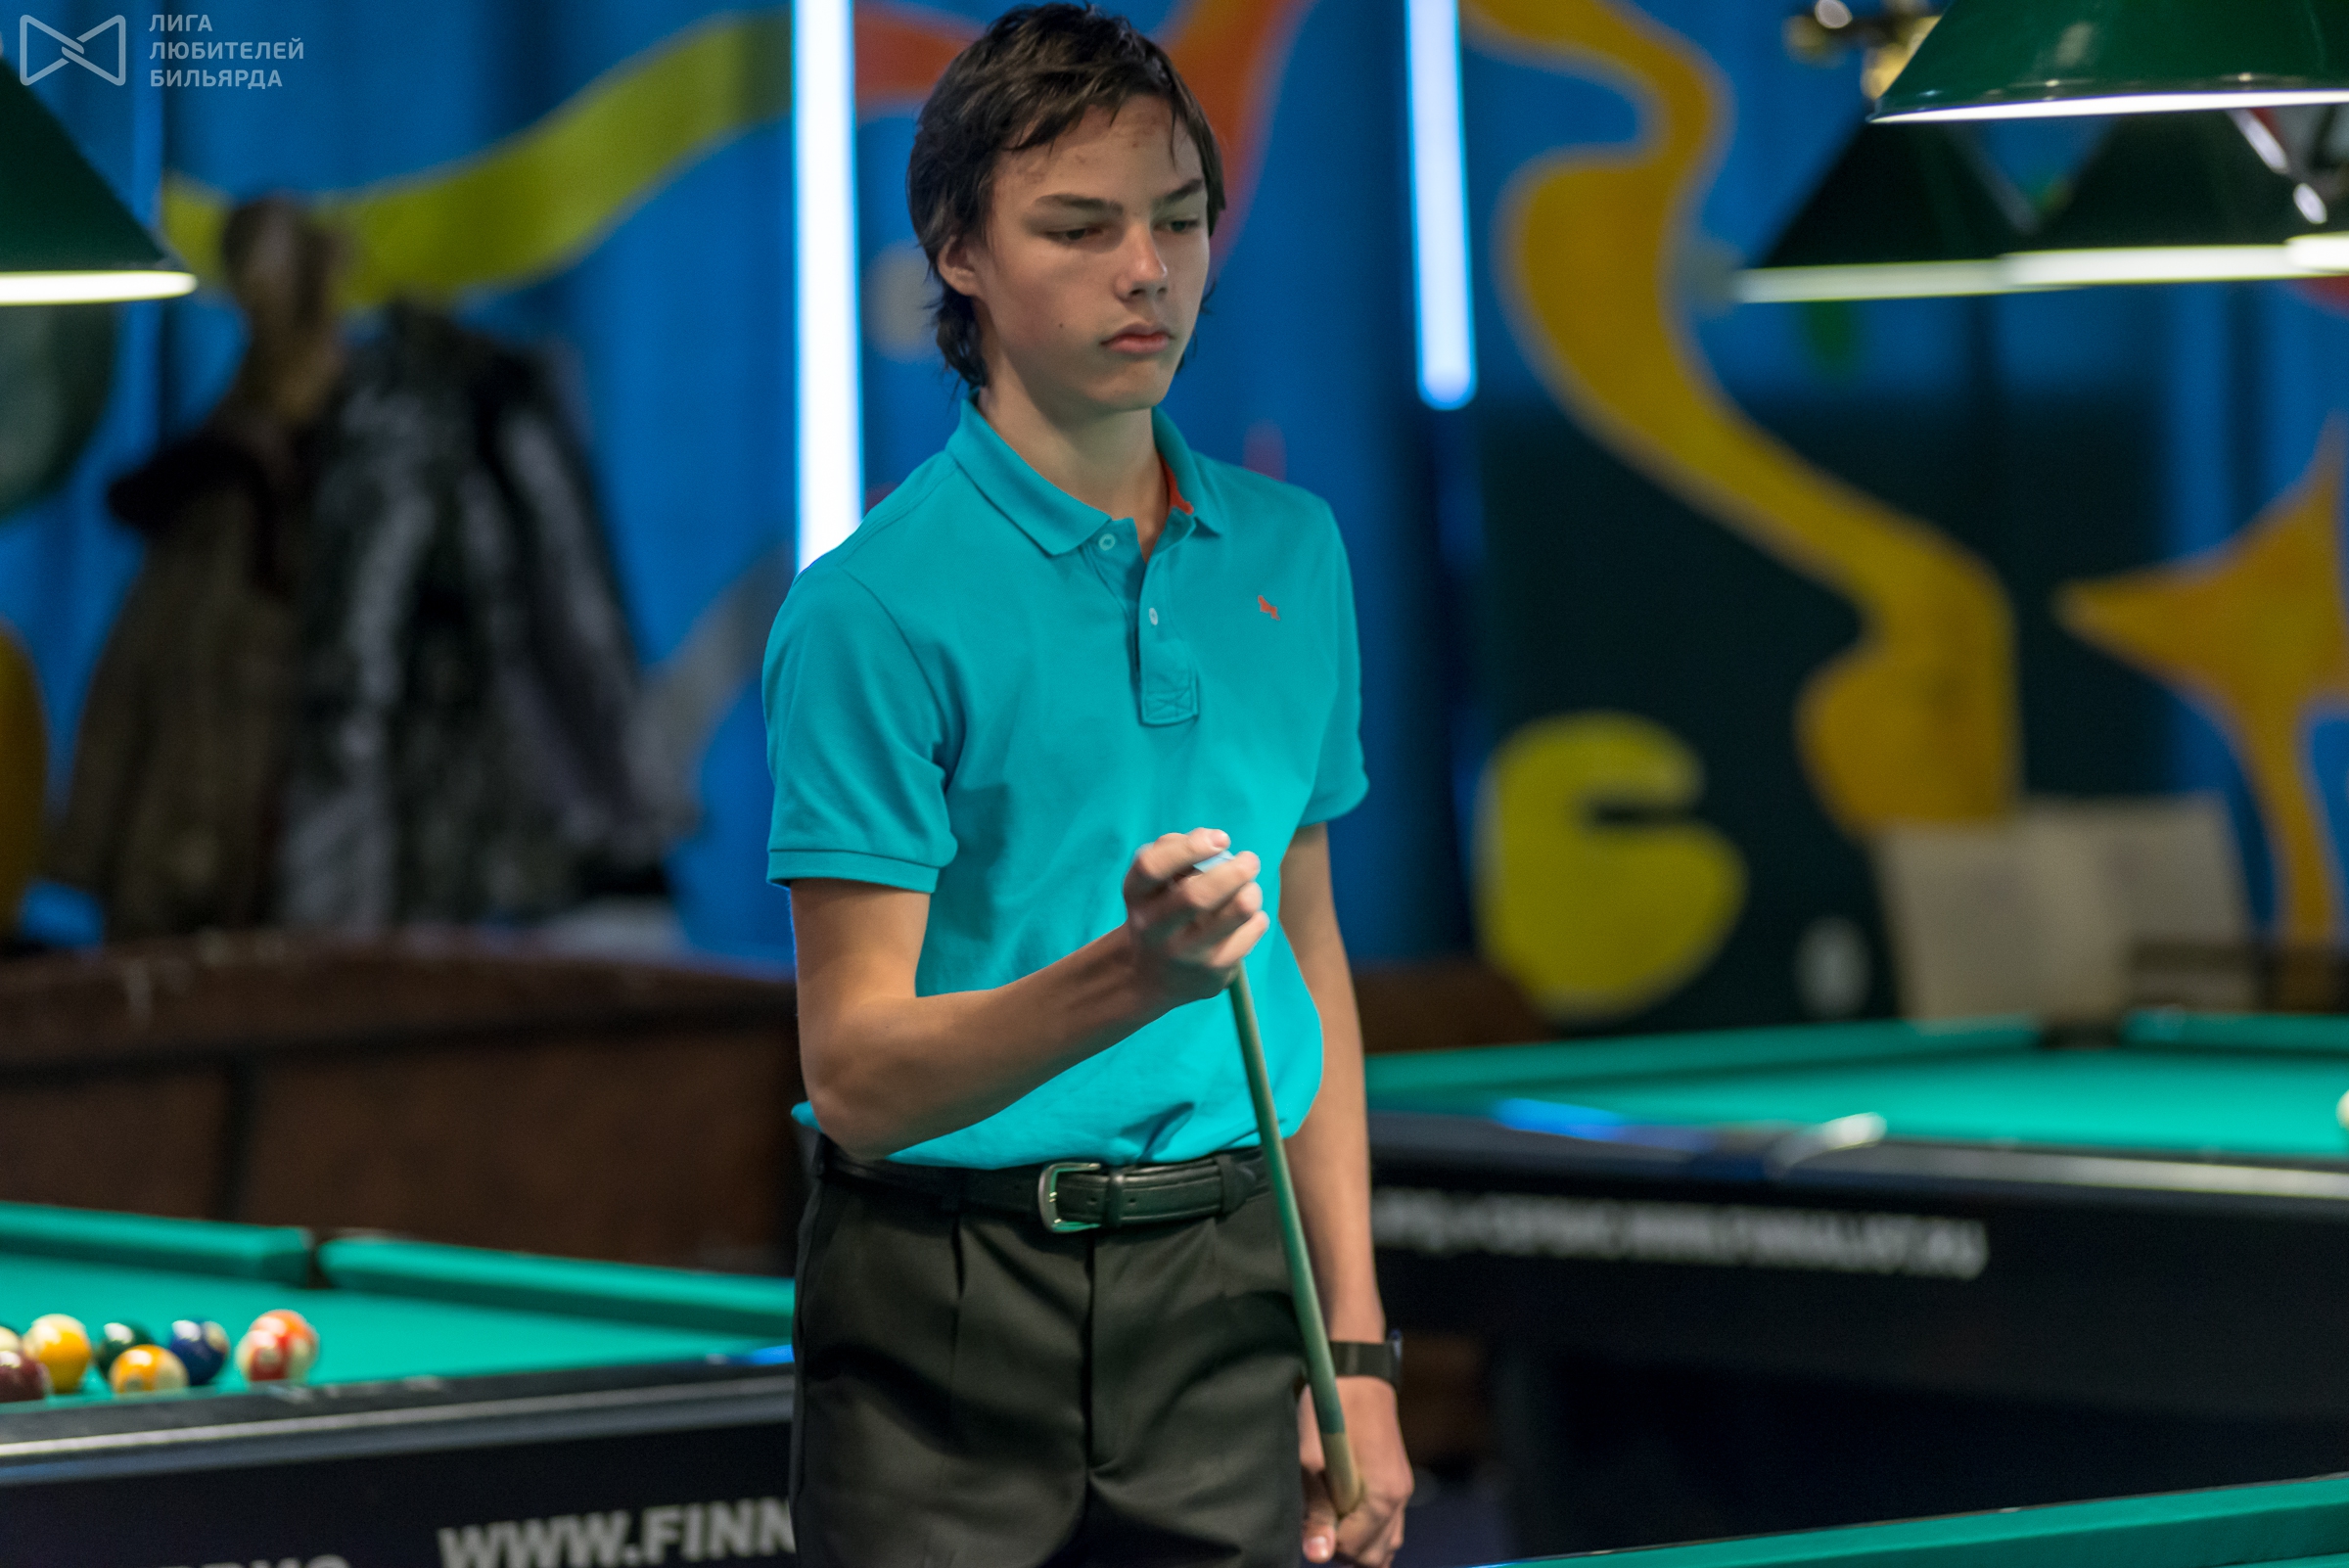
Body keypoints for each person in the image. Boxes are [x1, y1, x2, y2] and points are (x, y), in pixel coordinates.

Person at [762, 7, 1411, 1563]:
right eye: (1080, 227)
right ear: (959, 251)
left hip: (1228, 1280)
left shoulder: (1295, 551)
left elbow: (1306, 958)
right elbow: (858, 1074)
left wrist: (1358, 1348)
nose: (1149, 270)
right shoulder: (869, 611)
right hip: (943, 1303)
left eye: (1179, 220)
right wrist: (1138, 973)